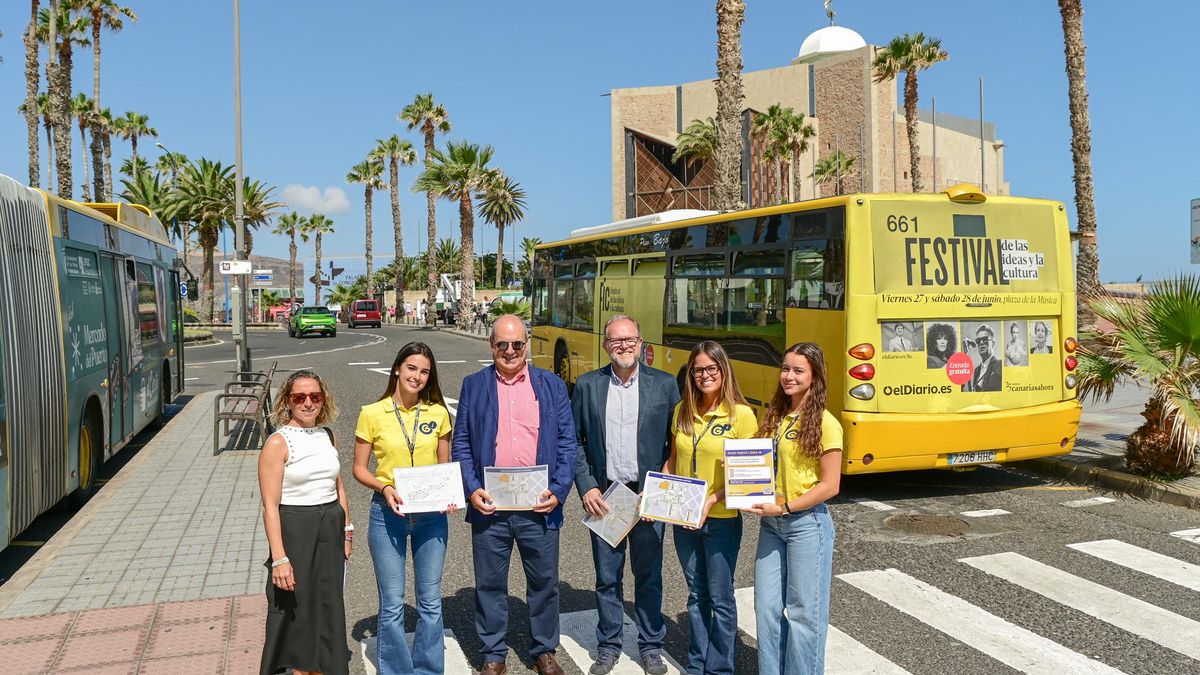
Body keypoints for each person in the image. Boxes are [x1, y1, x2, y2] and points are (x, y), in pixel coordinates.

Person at [451, 314, 577, 675]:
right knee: (490, 583)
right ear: (491, 346)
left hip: (539, 505)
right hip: (490, 506)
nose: (510, 351)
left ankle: (544, 650)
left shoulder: (551, 385)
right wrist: (472, 488)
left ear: (527, 345)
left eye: (517, 344)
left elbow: (568, 443)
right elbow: (461, 442)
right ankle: (493, 653)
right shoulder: (474, 384)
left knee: (544, 583)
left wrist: (559, 490)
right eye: (502, 344)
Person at [571, 316, 679, 675]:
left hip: (647, 495)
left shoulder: (664, 386)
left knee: (648, 575)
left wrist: (661, 487)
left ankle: (650, 645)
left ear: (641, 342)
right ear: (605, 346)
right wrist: (587, 485)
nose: (623, 346)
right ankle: (609, 644)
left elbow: (675, 442)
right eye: (616, 341)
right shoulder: (587, 385)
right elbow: (575, 442)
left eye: (629, 339)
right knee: (607, 577)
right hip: (606, 496)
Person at [353, 342, 455, 675]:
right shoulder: (372, 412)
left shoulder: (438, 413)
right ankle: (396, 670)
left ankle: (427, 669)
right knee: (393, 605)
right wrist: (384, 486)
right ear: (397, 368)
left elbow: (445, 464)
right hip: (387, 516)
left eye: (424, 371)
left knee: (429, 602)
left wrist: (449, 495)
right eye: (411, 368)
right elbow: (359, 468)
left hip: (431, 519)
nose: (417, 376)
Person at [748, 343, 843, 675]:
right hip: (772, 526)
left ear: (814, 376)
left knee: (805, 614)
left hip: (806, 524)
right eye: (785, 368)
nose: (788, 376)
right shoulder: (775, 416)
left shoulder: (827, 423)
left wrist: (785, 507)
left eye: (798, 370)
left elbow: (831, 485)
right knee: (766, 607)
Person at [665, 341, 757, 675]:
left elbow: (749, 477)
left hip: (720, 521)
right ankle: (696, 664)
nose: (704, 375)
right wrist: (657, 495)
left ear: (723, 370)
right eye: (698, 369)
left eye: (710, 369)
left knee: (720, 597)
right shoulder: (682, 411)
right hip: (683, 518)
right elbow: (673, 462)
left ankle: (719, 668)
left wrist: (712, 500)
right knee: (695, 595)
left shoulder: (742, 416)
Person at [258, 370, 350, 675]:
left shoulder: (328, 435)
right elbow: (270, 506)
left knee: (328, 603)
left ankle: (324, 668)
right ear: (287, 401)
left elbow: (338, 486)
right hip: (296, 528)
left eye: (315, 396)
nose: (308, 403)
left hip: (330, 525)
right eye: (300, 397)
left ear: (323, 399)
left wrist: (347, 529)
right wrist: (280, 559)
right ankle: (302, 669)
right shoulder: (278, 442)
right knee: (299, 610)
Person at [964, 324, 1002, 392]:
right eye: (978, 340)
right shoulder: (977, 370)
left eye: (985, 339)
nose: (981, 343)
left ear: (993, 343)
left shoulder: (1000, 365)